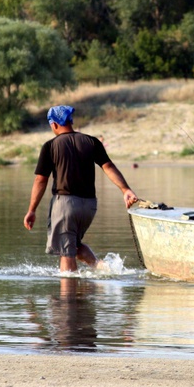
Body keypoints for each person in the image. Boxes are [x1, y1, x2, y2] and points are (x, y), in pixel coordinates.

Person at [23, 105, 138, 272]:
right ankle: (103, 268)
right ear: (70, 121)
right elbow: (108, 167)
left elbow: (41, 180)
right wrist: (125, 189)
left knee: (66, 253)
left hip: (65, 205)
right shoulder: (92, 142)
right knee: (74, 246)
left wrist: (32, 210)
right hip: (89, 206)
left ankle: (68, 295)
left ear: (54, 124)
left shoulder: (51, 146)